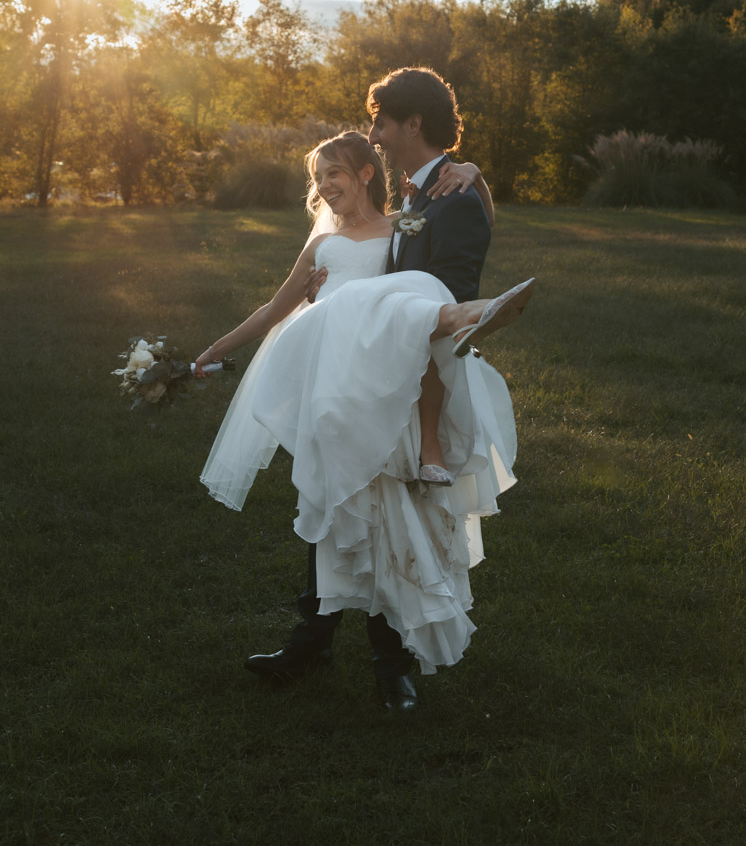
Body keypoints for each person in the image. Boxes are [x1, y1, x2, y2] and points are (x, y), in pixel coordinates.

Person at [198, 70, 534, 711]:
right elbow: (283, 301)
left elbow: (447, 268)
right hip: (342, 379)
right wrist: (220, 349)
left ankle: (391, 663)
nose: (375, 135)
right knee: (332, 500)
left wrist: (477, 177)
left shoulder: (446, 196)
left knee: (387, 514)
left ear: (410, 125)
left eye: (382, 123)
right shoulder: (414, 199)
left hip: (397, 381)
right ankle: (312, 640)